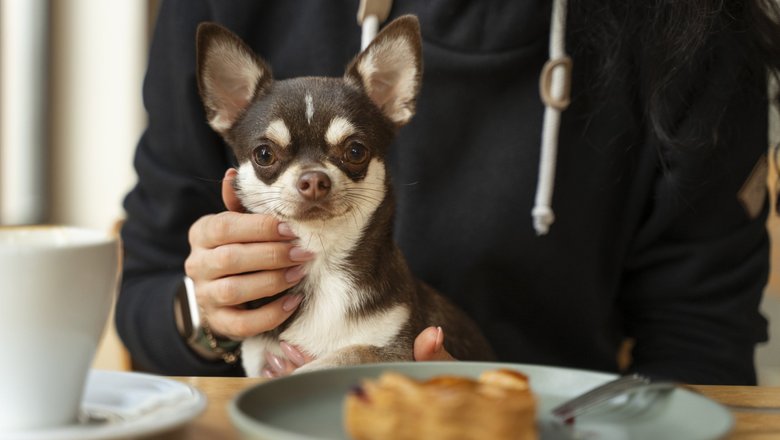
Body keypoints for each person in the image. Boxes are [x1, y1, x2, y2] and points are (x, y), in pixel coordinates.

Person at [117, 0, 780, 384]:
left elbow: (700, 346)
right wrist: (213, 317)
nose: (314, 178)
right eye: (268, 156)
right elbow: (144, 291)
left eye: (350, 151)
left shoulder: (698, 30)